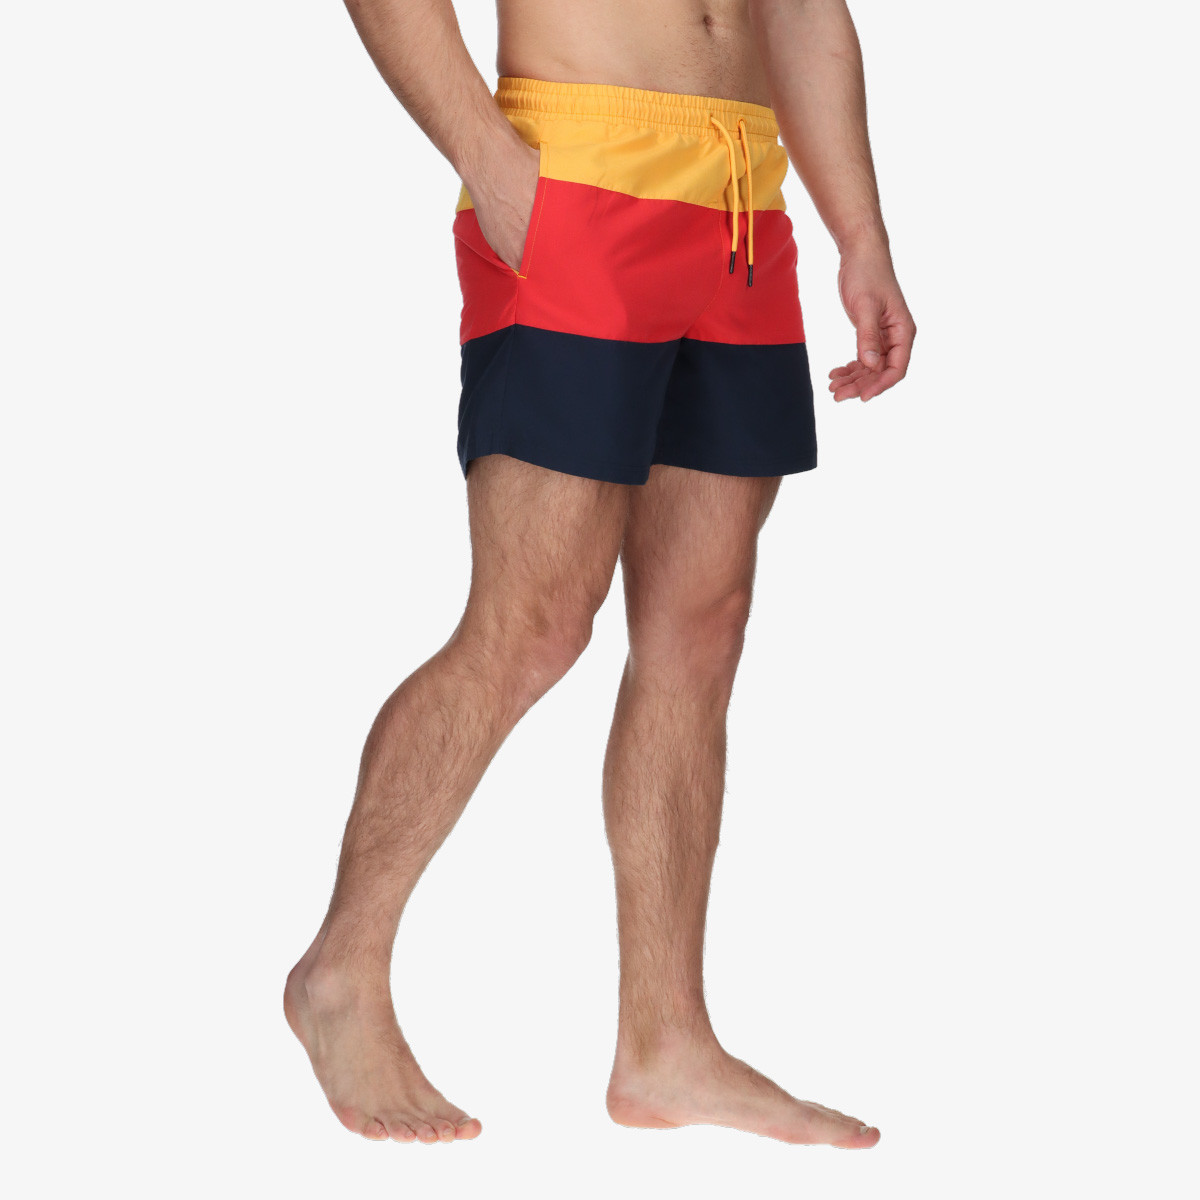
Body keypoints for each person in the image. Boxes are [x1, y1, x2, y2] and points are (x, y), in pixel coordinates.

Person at [285, 0, 915, 1147]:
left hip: (741, 191)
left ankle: (666, 1044)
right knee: (530, 623)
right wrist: (487, 158)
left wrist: (859, 233)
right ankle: (341, 970)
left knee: (700, 627)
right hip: (579, 168)